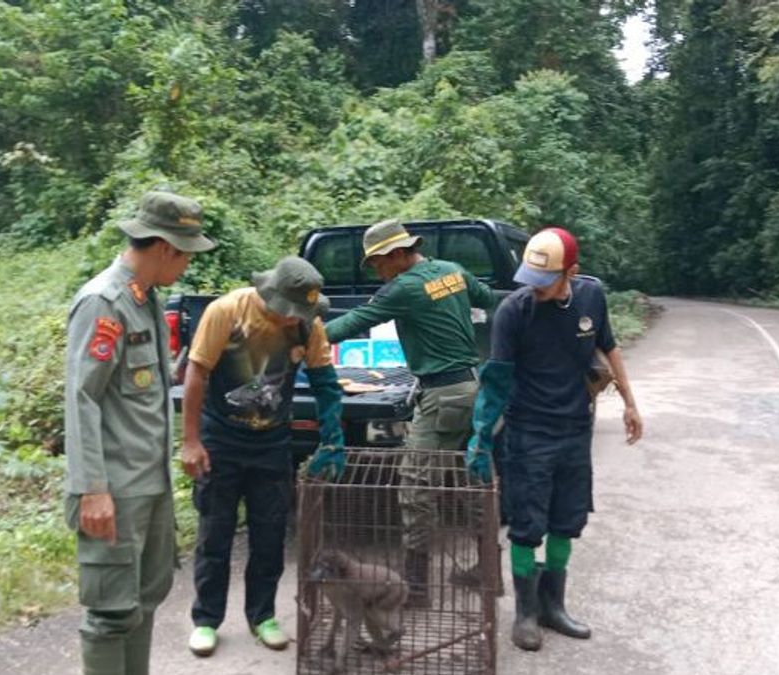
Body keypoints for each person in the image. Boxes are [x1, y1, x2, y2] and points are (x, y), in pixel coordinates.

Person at [465, 227, 643, 651]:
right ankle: (525, 614)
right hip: (528, 434)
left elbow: (610, 346)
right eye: (530, 280)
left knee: (568, 520)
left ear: (572, 273)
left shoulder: (591, 297)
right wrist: (480, 438)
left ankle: (553, 607)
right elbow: (497, 380)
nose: (535, 290)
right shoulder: (514, 311)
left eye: (545, 282)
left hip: (575, 431)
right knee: (527, 527)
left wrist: (630, 403)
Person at [64, 191, 216, 675]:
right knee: (110, 613)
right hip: (113, 490)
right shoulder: (103, 302)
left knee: (143, 601)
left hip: (149, 486)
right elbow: (82, 397)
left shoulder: (146, 301)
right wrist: (92, 488)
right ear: (165, 247)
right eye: (187, 253)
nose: (189, 264)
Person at [325, 219, 496, 604]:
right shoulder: (452, 272)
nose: (376, 271)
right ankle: (488, 567)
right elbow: (486, 297)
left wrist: (304, 336)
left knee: (414, 486)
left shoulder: (403, 287)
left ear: (399, 253)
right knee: (470, 479)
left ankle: (417, 585)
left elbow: (354, 322)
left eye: (378, 262)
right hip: (471, 389)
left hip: (441, 396)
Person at [180, 256, 345, 657]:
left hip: (272, 442)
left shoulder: (308, 323)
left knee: (270, 534)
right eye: (290, 312)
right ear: (271, 296)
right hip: (221, 439)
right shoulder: (227, 311)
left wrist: (333, 439)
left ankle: (262, 615)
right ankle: (206, 620)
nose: (295, 320)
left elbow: (325, 383)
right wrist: (190, 441)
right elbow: (197, 374)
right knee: (215, 534)